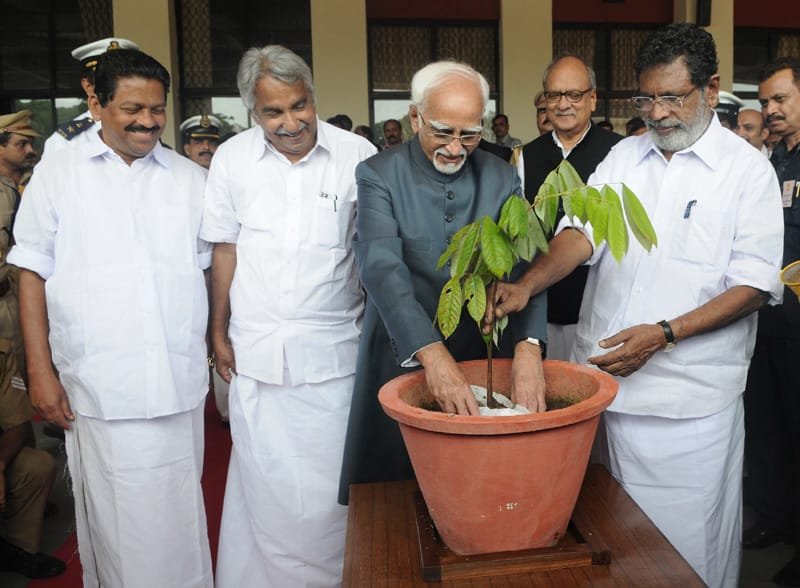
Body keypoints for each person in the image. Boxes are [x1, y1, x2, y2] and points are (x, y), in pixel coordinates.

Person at [487, 24, 783, 587]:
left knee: (688, 546)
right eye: (646, 98)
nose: (658, 113)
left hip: (691, 403)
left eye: (672, 97)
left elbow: (751, 285)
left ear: (711, 89)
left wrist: (665, 333)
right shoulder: (625, 157)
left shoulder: (747, 173)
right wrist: (530, 284)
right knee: (612, 540)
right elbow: (579, 234)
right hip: (612, 390)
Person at [9, 49, 213, 588]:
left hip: (177, 382)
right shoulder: (57, 176)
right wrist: (41, 371)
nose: (148, 121)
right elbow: (30, 274)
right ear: (95, 102)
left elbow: (210, 274)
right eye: (132, 108)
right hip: (98, 387)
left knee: (179, 514)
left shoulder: (189, 180)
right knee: (117, 525)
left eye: (157, 108)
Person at [201, 45, 376, 587]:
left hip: (334, 359)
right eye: (272, 113)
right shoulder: (232, 159)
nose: (290, 123)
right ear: (252, 111)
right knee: (267, 484)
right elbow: (224, 249)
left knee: (330, 495)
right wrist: (217, 325)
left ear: (312, 96)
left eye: (299, 106)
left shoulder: (358, 155)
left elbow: (375, 253)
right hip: (258, 354)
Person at [338, 60, 548, 503]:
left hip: (483, 349)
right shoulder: (378, 173)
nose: (456, 148)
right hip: (402, 350)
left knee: (485, 491)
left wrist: (529, 347)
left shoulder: (503, 176)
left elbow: (526, 263)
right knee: (393, 499)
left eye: (470, 134)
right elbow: (381, 265)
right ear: (415, 118)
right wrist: (433, 358)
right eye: (442, 132)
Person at [520, 55, 623, 361]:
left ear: (592, 99)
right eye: (554, 95)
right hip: (541, 304)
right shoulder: (525, 156)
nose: (563, 104)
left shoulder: (620, 152)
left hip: (601, 306)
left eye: (574, 95)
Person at [0, 111, 64, 580]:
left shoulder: (21, 190)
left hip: (15, 314)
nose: (29, 149)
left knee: (19, 417)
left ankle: (17, 533)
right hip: (6, 306)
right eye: (21, 142)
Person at [743, 56, 800, 586]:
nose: (771, 110)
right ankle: (776, 519)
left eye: (780, 99)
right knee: (767, 428)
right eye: (765, 102)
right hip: (765, 319)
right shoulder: (766, 163)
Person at [40, 37, 139, 162]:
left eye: (128, 80)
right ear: (88, 86)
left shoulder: (145, 125)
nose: (121, 88)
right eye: (109, 82)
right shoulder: (65, 142)